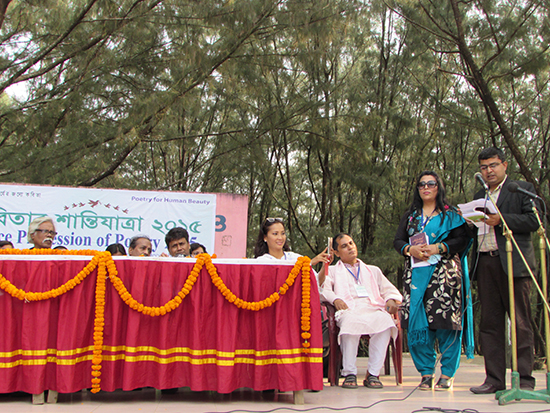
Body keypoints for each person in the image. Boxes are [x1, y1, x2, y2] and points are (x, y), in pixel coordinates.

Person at [393, 171, 473, 391]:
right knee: (418, 324)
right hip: (416, 276)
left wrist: (440, 247)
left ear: (439, 187)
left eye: (431, 183)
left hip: (445, 276)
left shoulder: (451, 215)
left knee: (446, 323)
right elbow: (398, 240)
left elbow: (463, 240)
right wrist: (409, 249)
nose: (426, 187)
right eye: (421, 184)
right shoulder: (411, 216)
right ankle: (426, 373)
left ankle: (447, 374)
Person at [469, 147, 538, 394]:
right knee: (490, 323)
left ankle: (525, 380)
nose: (489, 171)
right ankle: (494, 380)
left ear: (505, 165)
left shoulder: (520, 189)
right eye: (484, 167)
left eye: (493, 165)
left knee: (520, 322)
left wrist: (502, 219)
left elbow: (533, 221)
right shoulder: (480, 195)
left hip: (514, 262)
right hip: (486, 262)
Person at [321, 233, 402, 389]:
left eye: (351, 243)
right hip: (349, 309)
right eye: (344, 246)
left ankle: (373, 374)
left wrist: (390, 299)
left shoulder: (373, 270)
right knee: (350, 323)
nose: (350, 247)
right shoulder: (332, 271)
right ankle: (349, 373)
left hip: (372, 308)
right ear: (336, 253)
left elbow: (389, 290)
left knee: (385, 322)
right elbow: (324, 290)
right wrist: (335, 299)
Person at [253, 217, 329, 268]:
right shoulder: (260, 262)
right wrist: (311, 262)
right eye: (275, 234)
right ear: (265, 237)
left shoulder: (296, 258)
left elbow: (317, 282)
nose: (280, 238)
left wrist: (324, 265)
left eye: (283, 233)